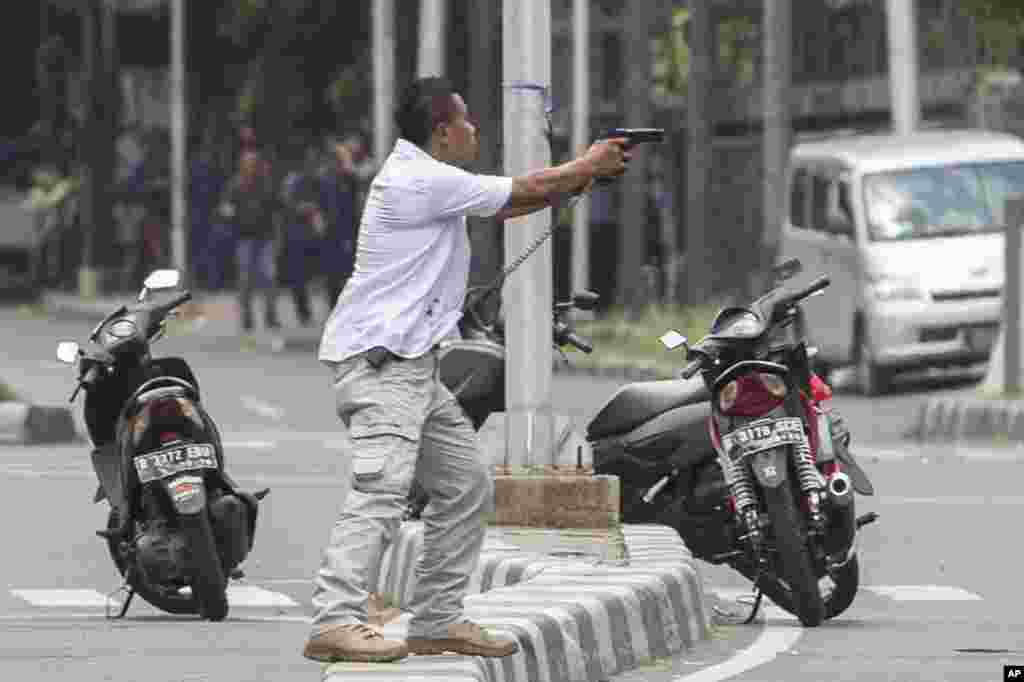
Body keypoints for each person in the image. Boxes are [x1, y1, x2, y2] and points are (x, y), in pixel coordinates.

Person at [303, 76, 629, 664]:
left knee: (464, 486)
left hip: (413, 372)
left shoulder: (431, 179)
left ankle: (435, 620)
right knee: (380, 494)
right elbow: (526, 187)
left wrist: (584, 175)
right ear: (442, 133)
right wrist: (585, 164)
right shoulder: (418, 178)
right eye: (467, 121)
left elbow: (517, 201)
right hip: (384, 366)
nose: (475, 130)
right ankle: (335, 619)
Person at [218, 149, 282, 333]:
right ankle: (247, 318)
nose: (251, 167)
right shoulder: (236, 185)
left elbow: (277, 210)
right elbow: (225, 208)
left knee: (269, 278)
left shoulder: (266, 184)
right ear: (242, 166)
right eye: (248, 163)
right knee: (245, 280)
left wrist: (278, 237)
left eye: (254, 163)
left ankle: (271, 316)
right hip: (244, 239)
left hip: (265, 238)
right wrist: (228, 213)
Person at [318, 140, 361, 307]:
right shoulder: (325, 179)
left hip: (347, 231)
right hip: (330, 232)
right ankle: (334, 307)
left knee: (348, 272)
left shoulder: (348, 178)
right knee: (331, 274)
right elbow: (320, 203)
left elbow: (355, 186)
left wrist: (346, 158)